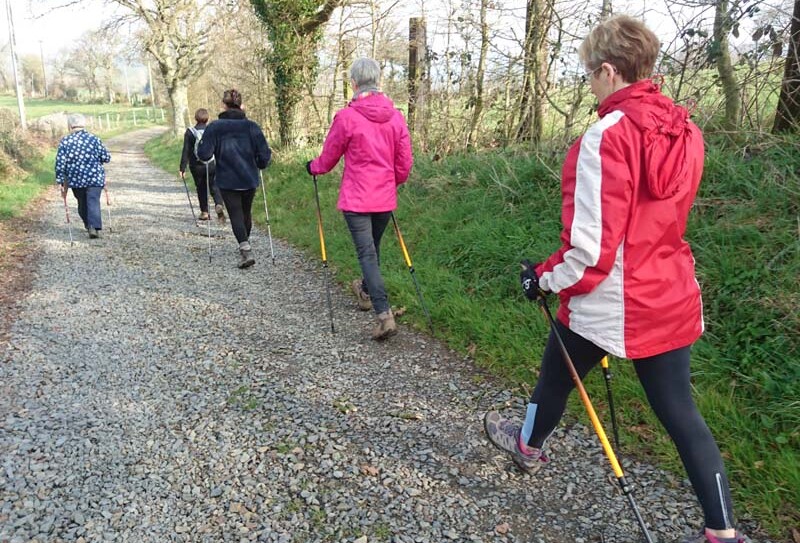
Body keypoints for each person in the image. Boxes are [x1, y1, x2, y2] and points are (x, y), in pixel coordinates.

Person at [482, 15, 748, 543]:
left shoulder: (606, 137)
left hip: (612, 302)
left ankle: (527, 446)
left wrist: (542, 279)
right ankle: (724, 533)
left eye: (589, 73)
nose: (589, 84)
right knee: (682, 415)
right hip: (671, 293)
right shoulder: (686, 130)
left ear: (608, 70)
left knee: (556, 372)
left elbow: (589, 252)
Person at [306, 57, 413, 341]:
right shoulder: (396, 116)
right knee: (372, 251)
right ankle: (366, 291)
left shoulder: (347, 117)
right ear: (378, 82)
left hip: (357, 199)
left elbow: (328, 159)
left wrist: (312, 167)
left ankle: (383, 314)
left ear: (353, 83)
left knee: (367, 254)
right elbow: (405, 162)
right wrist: (392, 183)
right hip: (383, 198)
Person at [196, 90, 271, 268]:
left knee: (236, 213)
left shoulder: (215, 127)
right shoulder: (252, 127)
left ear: (224, 105)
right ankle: (245, 244)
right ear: (241, 105)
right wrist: (261, 163)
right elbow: (264, 155)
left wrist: (202, 146)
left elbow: (204, 155)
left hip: (227, 179)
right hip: (249, 177)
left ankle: (245, 249)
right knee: (246, 212)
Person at [55, 113, 111, 239]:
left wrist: (60, 181)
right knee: (93, 201)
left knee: (82, 202)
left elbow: (60, 163)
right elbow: (106, 157)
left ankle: (89, 225)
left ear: (70, 126)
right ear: (84, 125)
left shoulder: (65, 141)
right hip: (95, 177)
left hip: (76, 179)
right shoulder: (94, 139)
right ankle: (93, 226)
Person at [179, 108, 225, 222]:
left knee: (201, 188)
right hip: (212, 164)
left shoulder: (190, 132)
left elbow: (186, 151)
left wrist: (182, 168)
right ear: (207, 119)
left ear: (195, 118)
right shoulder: (213, 130)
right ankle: (218, 204)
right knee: (215, 186)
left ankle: (204, 212)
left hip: (196, 166)